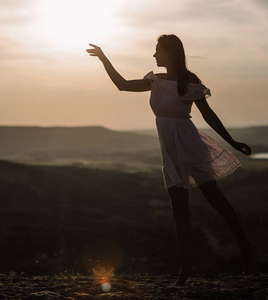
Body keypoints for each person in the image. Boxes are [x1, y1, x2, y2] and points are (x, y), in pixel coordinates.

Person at [86, 34, 256, 286]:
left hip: (190, 147)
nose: (154, 55)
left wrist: (231, 142)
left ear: (171, 52)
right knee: (179, 211)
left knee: (217, 201)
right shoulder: (155, 80)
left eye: (158, 50)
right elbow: (121, 84)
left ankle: (247, 251)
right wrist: (103, 58)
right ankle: (185, 269)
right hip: (170, 151)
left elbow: (208, 115)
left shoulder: (190, 81)